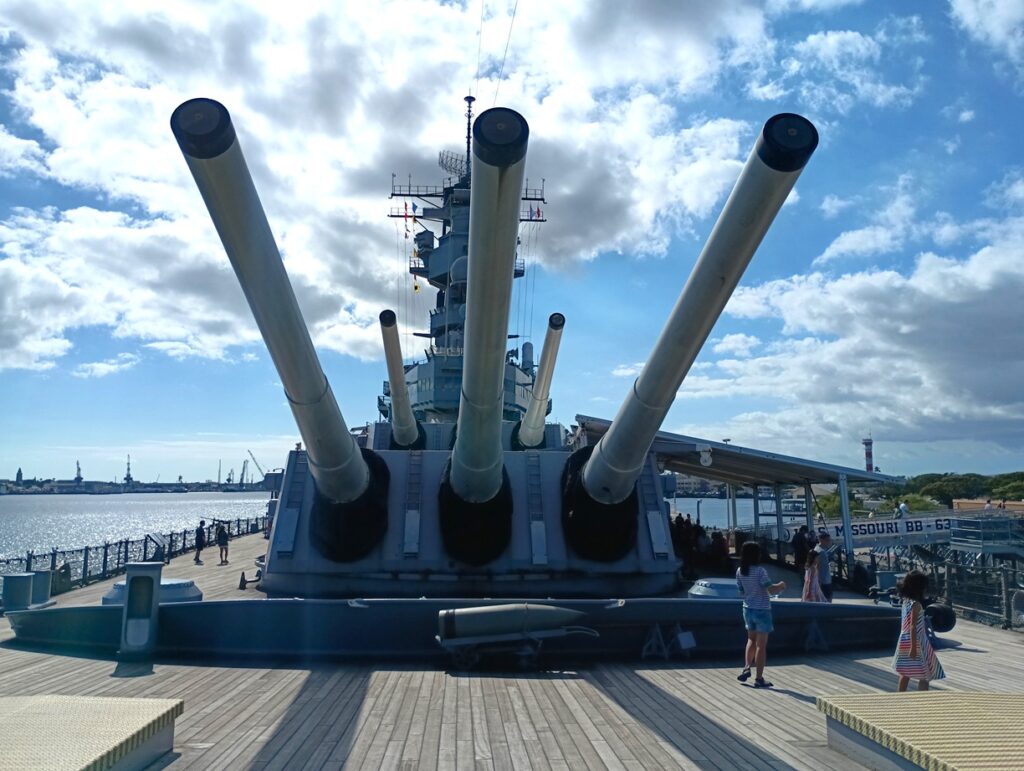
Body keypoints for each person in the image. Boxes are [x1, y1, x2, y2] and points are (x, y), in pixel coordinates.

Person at [735, 542, 786, 688]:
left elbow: (741, 591)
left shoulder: (740, 571)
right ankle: (759, 679)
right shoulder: (760, 571)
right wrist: (781, 585)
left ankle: (746, 667)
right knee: (761, 646)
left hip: (747, 608)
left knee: (750, 640)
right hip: (762, 610)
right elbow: (771, 590)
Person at [892, 570, 945, 692]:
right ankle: (923, 699)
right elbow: (913, 626)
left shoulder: (906, 602)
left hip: (904, 640)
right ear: (919, 588)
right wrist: (914, 647)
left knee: (905, 672)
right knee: (924, 674)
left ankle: (900, 697)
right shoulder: (916, 605)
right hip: (916, 641)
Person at [813, 532, 834, 602]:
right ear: (821, 540)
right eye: (827, 540)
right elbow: (818, 567)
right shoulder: (821, 552)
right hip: (824, 581)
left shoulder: (816, 549)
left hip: (822, 580)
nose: (829, 542)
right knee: (827, 600)